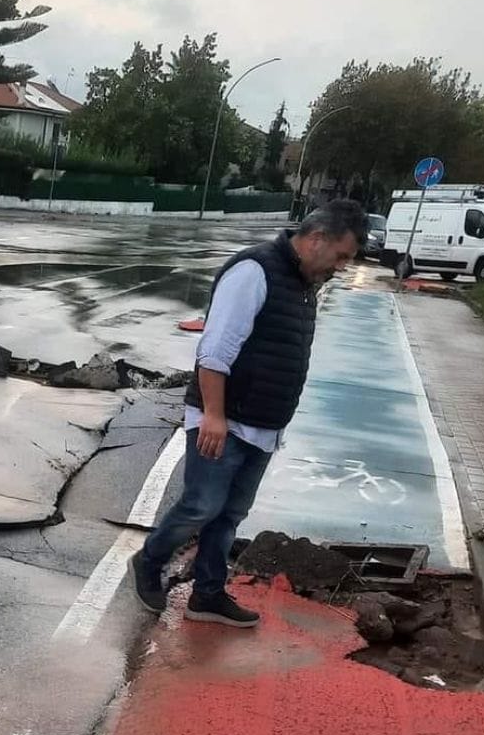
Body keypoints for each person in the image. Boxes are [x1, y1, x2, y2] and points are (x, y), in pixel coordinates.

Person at [132, 199, 368, 627]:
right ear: (317, 239)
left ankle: (207, 595)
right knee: (201, 506)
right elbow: (214, 351)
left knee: (229, 515)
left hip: (262, 425)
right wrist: (214, 416)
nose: (342, 267)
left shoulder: (302, 283)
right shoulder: (254, 271)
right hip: (226, 420)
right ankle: (148, 562)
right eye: (342, 256)